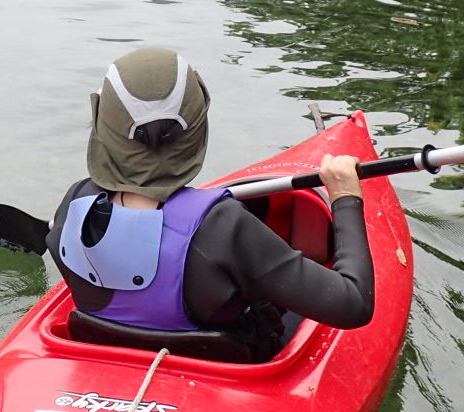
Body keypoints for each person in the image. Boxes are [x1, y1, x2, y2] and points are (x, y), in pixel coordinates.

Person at [45, 47, 376, 362]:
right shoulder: (224, 225)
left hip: (106, 354)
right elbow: (353, 304)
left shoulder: (74, 205)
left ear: (105, 128)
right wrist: (345, 198)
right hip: (228, 365)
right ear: (195, 131)